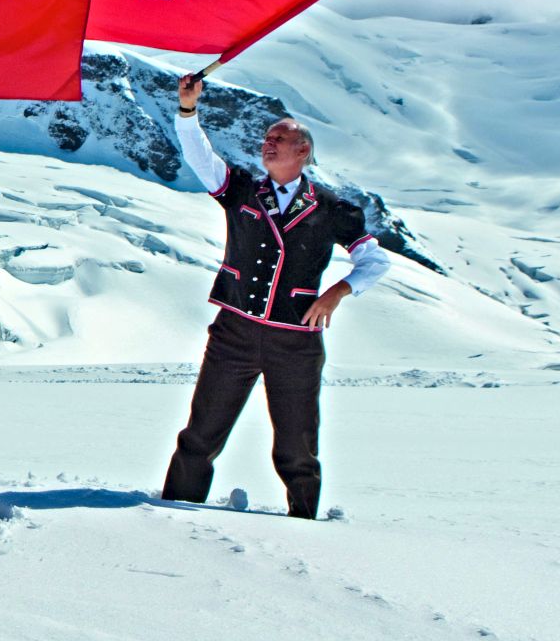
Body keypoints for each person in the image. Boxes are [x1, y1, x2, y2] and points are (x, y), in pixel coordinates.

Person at [161, 74, 392, 519]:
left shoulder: (332, 209)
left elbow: (375, 262)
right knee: (201, 434)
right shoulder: (242, 190)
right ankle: (173, 514)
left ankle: (303, 524)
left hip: (296, 342)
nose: (268, 144)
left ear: (302, 151)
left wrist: (337, 294)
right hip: (234, 332)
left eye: (279, 138)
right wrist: (188, 111)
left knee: (296, 445)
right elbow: (199, 157)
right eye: (267, 138)